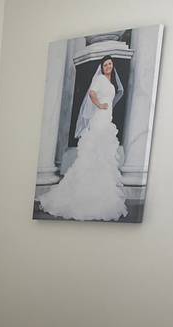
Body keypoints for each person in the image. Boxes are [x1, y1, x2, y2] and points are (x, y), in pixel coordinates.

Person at [38, 56, 127, 221]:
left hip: (107, 120)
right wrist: (99, 105)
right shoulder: (100, 79)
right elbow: (92, 93)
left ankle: (100, 194)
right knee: (95, 153)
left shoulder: (111, 83)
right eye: (105, 64)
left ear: (112, 67)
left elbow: (111, 98)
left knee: (104, 155)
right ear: (102, 67)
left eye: (110, 64)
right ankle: (84, 194)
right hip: (100, 119)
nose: (108, 66)